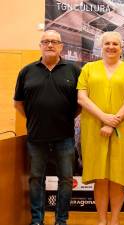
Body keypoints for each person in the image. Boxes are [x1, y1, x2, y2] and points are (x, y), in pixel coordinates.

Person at [77, 31, 124, 225]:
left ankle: (114, 220)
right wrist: (104, 119)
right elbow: (82, 98)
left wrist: (112, 121)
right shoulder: (88, 68)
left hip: (123, 129)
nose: (111, 47)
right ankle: (101, 220)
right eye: (107, 43)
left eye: (115, 43)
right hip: (94, 128)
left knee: (117, 177)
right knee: (100, 178)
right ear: (101, 46)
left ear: (121, 48)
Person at [14, 30, 81, 225]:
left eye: (54, 42)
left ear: (61, 46)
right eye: (46, 41)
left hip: (65, 137)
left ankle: (61, 220)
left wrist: (66, 117)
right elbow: (18, 103)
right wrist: (35, 117)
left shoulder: (74, 70)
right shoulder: (27, 71)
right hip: (36, 137)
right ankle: (37, 220)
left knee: (66, 180)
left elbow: (80, 103)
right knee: (36, 179)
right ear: (40, 45)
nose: (50, 45)